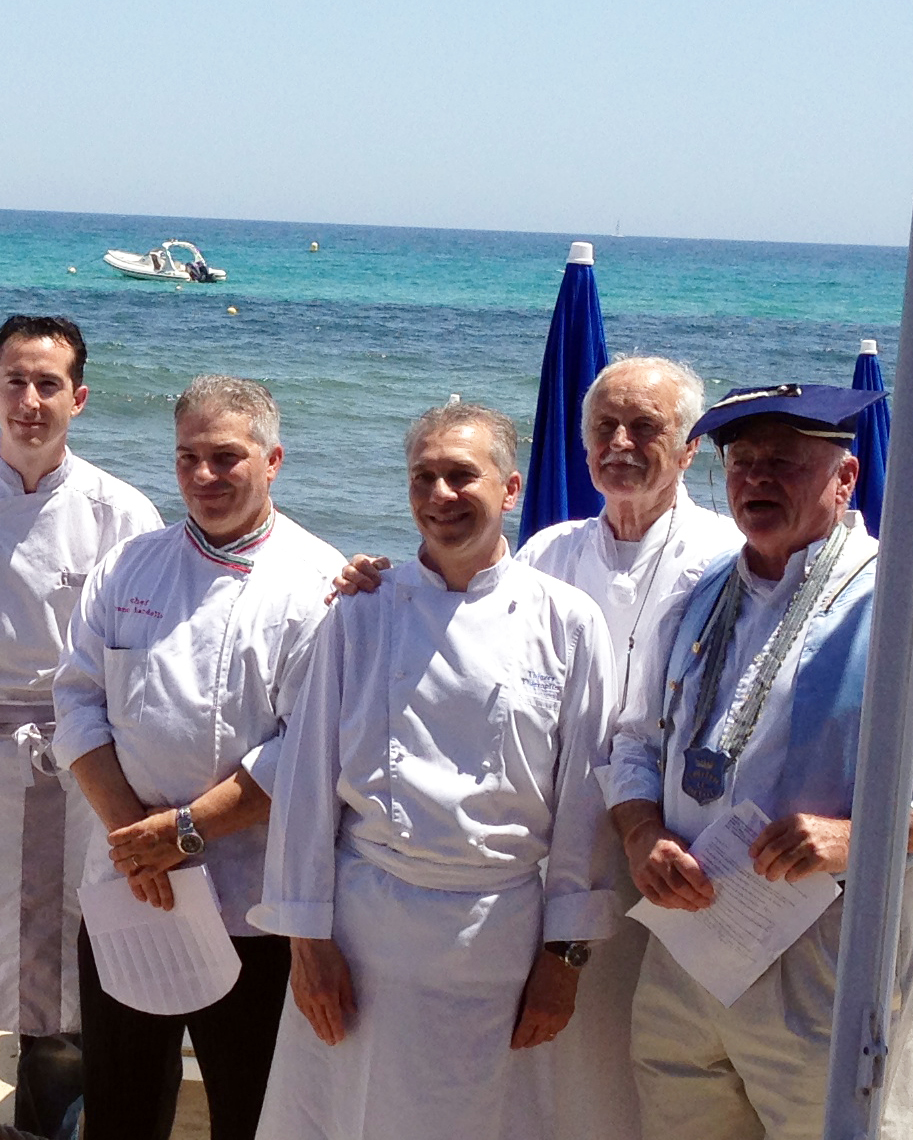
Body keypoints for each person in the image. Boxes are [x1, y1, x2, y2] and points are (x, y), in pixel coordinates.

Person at [610, 384, 913, 1140]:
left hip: (826, 952)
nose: (757, 480)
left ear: (846, 479)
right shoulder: (697, 594)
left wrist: (853, 837)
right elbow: (635, 741)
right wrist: (641, 835)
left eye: (785, 464)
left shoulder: (904, 598)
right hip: (688, 950)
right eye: (743, 464)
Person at [251, 401, 617, 1140]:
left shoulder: (568, 622)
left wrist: (565, 960)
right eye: (424, 478)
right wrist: (306, 941)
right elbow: (305, 786)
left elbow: (585, 805)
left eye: (462, 476)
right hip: (365, 935)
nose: (440, 497)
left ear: (510, 490)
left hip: (497, 940)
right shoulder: (360, 611)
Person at [53, 376, 341, 1140]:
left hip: (252, 904)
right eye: (187, 458)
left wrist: (182, 834)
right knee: (120, 1105)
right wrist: (134, 838)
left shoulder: (316, 584)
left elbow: (306, 747)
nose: (204, 477)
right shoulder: (128, 567)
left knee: (250, 1110)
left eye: (225, 458)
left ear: (274, 459)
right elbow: (77, 701)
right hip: (128, 889)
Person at [0, 316, 159, 1140]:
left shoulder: (120, 512)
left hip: (69, 768)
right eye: (15, 381)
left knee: (57, 1006)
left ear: (78, 398)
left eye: (48, 384)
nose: (30, 400)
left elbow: (145, 652)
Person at [501, 357, 741, 1138]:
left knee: (648, 1058)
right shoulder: (546, 553)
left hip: (674, 841)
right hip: (556, 837)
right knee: (550, 1061)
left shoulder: (732, 555)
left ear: (691, 447)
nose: (622, 442)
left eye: (646, 427)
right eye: (604, 427)